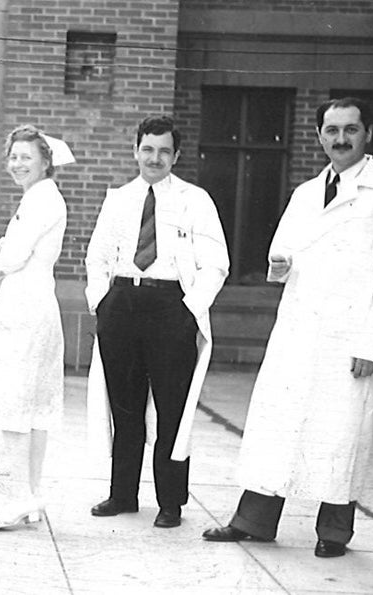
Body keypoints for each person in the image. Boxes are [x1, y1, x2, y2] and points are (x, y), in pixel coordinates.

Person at [202, 97, 373, 558]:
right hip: (299, 333)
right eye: (331, 130)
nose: (340, 139)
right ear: (319, 135)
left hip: (350, 340)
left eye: (350, 129)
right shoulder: (305, 193)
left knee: (341, 434)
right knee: (277, 428)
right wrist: (281, 264)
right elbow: (282, 256)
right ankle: (255, 521)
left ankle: (334, 533)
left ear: (368, 134)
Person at [84, 116, 229, 529]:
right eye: (148, 149)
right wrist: (101, 300)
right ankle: (123, 494)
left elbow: (217, 262)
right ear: (136, 151)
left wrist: (190, 309)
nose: (155, 158)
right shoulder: (119, 198)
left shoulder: (195, 200)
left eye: (164, 151)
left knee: (172, 408)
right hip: (123, 302)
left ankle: (170, 502)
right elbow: (96, 256)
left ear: (176, 155)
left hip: (171, 307)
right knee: (124, 405)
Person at [0, 125, 69, 530]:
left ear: (45, 161)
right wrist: (4, 253)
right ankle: (32, 496)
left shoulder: (41, 200)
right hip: (30, 305)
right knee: (32, 407)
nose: (18, 164)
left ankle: (20, 497)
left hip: (26, 308)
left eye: (26, 157)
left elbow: (12, 255)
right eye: (13, 157)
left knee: (14, 405)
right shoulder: (40, 198)